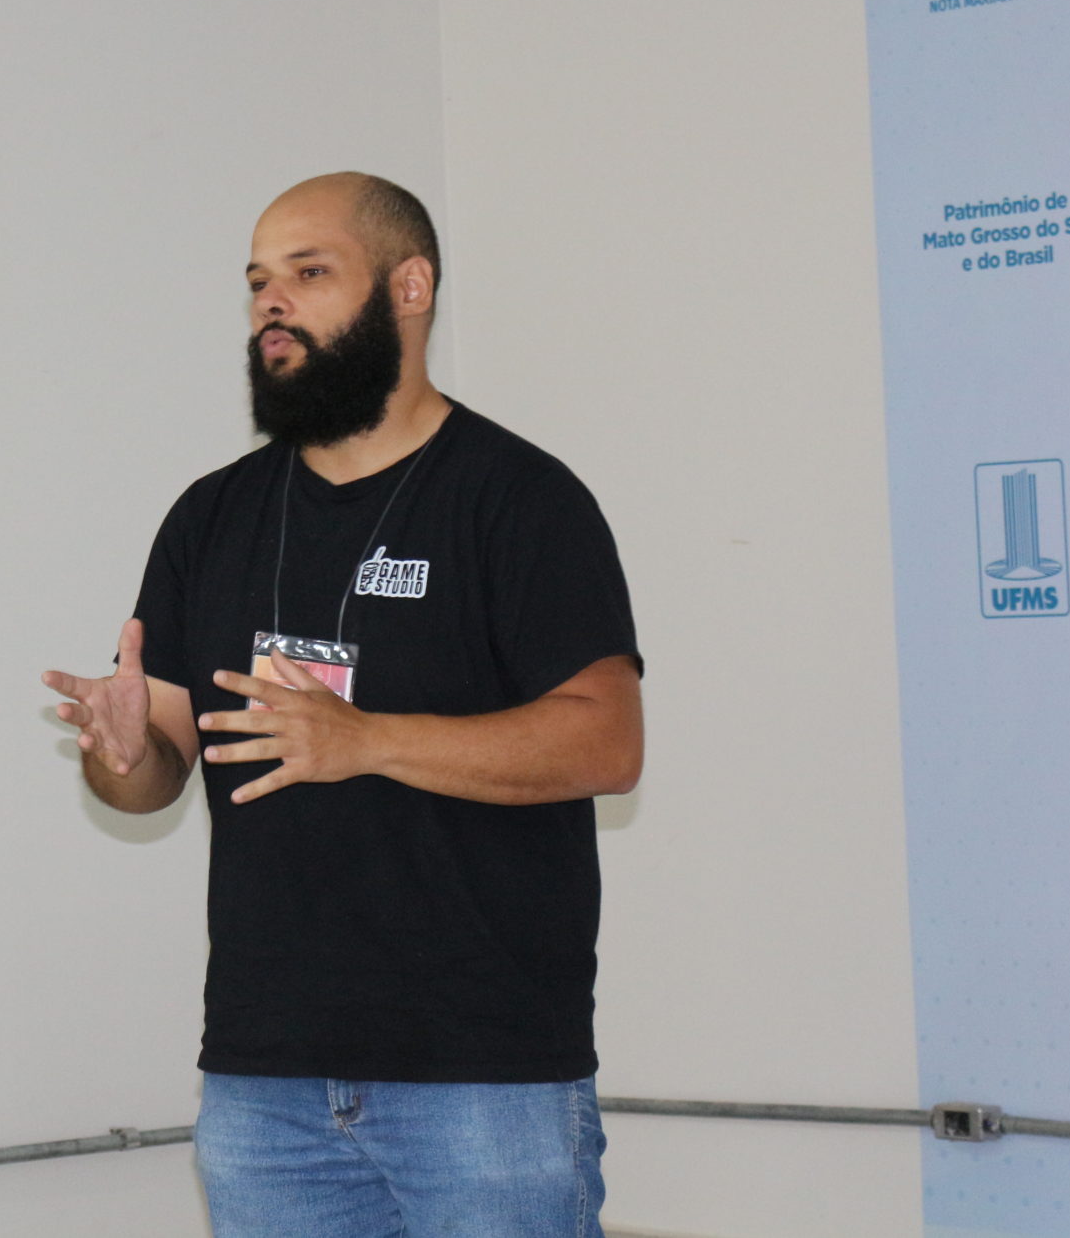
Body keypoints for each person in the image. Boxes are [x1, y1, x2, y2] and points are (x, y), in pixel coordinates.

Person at [44, 172, 642, 1237]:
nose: (271, 304)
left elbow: (606, 738)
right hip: (264, 1085)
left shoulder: (517, 498)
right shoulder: (210, 516)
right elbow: (150, 778)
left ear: (409, 288)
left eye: (308, 273)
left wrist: (366, 742)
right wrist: (120, 750)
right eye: (257, 283)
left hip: (483, 1079)